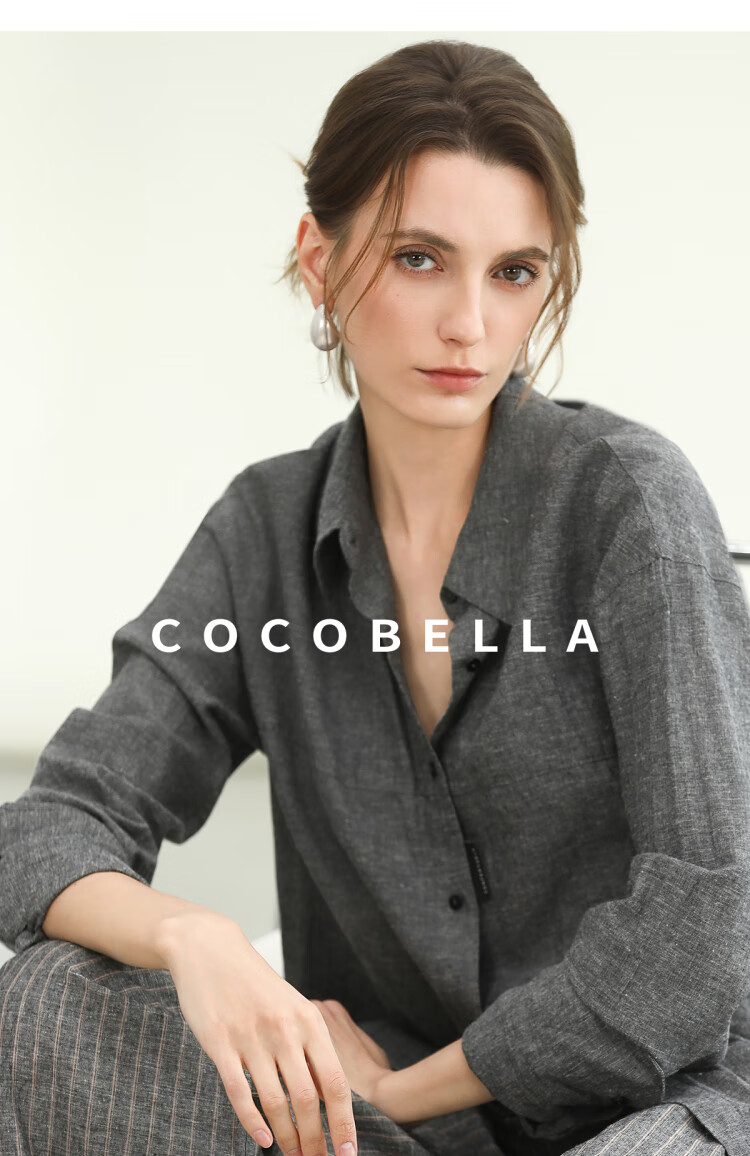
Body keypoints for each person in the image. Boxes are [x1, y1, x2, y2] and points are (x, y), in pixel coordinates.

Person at [0, 38, 747, 1156]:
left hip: (661, 1101)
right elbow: (49, 828)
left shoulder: (629, 507)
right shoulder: (265, 531)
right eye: (418, 259)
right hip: (382, 1126)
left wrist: (399, 1094)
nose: (469, 325)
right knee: (42, 1001)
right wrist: (199, 939)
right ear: (320, 259)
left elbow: (700, 926)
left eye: (513, 272)